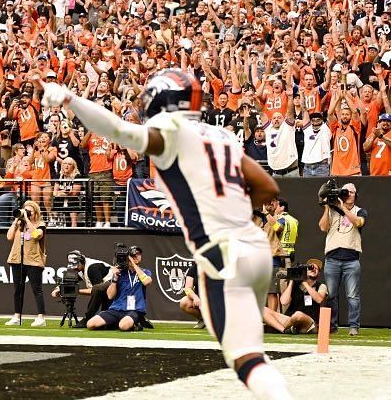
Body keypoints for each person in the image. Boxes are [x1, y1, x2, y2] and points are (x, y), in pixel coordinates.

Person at [42, 69, 291, 398]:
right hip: (257, 249)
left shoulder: (170, 131)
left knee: (245, 358)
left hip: (221, 252)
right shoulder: (222, 136)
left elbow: (118, 129)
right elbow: (267, 187)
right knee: (250, 353)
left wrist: (71, 99)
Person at [318, 183, 367, 336]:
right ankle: (332, 326)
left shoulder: (360, 211)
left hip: (351, 259)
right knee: (331, 295)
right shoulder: (332, 210)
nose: (349, 195)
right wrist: (327, 207)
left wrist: (342, 207)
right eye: (347, 192)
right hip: (332, 258)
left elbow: (358, 222)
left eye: (352, 192)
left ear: (356, 195)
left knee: (353, 296)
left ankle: (354, 326)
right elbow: (322, 227)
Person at [86, 246, 152, 331]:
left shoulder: (145, 272)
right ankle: (116, 323)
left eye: (138, 254)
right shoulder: (120, 273)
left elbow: (147, 281)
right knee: (90, 324)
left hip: (135, 309)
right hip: (117, 309)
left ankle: (136, 324)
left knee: (123, 326)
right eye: (133, 255)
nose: (137, 257)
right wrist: (115, 278)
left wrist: (134, 265)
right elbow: (110, 296)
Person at [5, 200, 47, 327]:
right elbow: (9, 237)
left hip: (33, 261)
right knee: (18, 289)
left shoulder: (41, 224)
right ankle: (17, 315)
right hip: (17, 260)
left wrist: (28, 221)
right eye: (25, 210)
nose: (27, 213)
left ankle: (41, 317)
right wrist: (16, 221)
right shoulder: (19, 225)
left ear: (36, 213)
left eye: (30, 211)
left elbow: (35, 235)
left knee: (37, 289)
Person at [263, 259, 328, 334]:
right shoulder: (295, 284)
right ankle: (284, 330)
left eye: (317, 269)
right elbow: (284, 302)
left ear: (319, 274)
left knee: (298, 315)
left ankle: (276, 327)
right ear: (304, 271)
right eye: (310, 268)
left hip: (309, 322)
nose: (314, 270)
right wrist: (291, 281)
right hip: (290, 318)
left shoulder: (321, 286)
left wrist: (305, 283)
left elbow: (319, 299)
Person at [51, 249, 113, 328]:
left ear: (81, 261)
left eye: (76, 266)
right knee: (103, 323)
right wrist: (58, 288)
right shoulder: (81, 268)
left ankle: (88, 318)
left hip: (115, 288)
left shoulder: (92, 268)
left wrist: (74, 291)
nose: (74, 269)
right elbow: (69, 281)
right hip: (108, 291)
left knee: (97, 291)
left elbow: (96, 291)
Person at [179, 262, 205, 329]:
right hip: (202, 299)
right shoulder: (194, 268)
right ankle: (203, 319)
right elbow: (187, 288)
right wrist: (195, 297)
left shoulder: (218, 267)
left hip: (217, 298)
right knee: (184, 302)